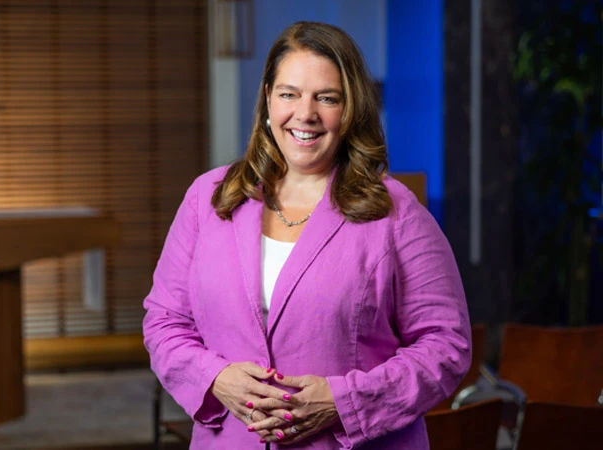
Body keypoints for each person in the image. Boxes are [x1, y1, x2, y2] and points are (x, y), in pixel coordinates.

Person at [143, 21, 470, 449]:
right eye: (289, 94)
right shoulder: (208, 197)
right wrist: (216, 378)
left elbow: (447, 345)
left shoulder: (396, 212)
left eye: (327, 98)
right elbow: (165, 321)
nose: (305, 114)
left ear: (350, 108)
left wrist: (344, 402)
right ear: (267, 100)